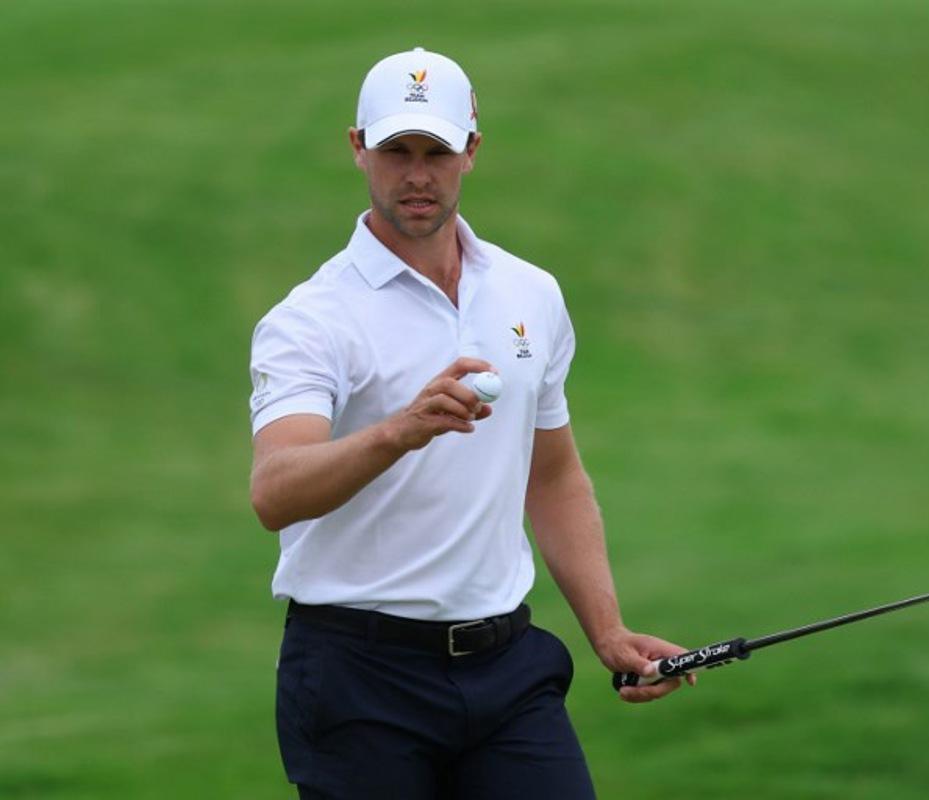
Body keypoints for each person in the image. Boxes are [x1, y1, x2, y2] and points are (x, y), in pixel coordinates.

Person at [248, 47, 692, 799]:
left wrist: (608, 632)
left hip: (506, 669)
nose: (416, 175)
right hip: (359, 679)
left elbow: (551, 476)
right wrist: (401, 429)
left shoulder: (531, 293)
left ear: (472, 151)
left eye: (436, 152)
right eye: (396, 152)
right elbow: (275, 490)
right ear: (358, 148)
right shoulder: (311, 319)